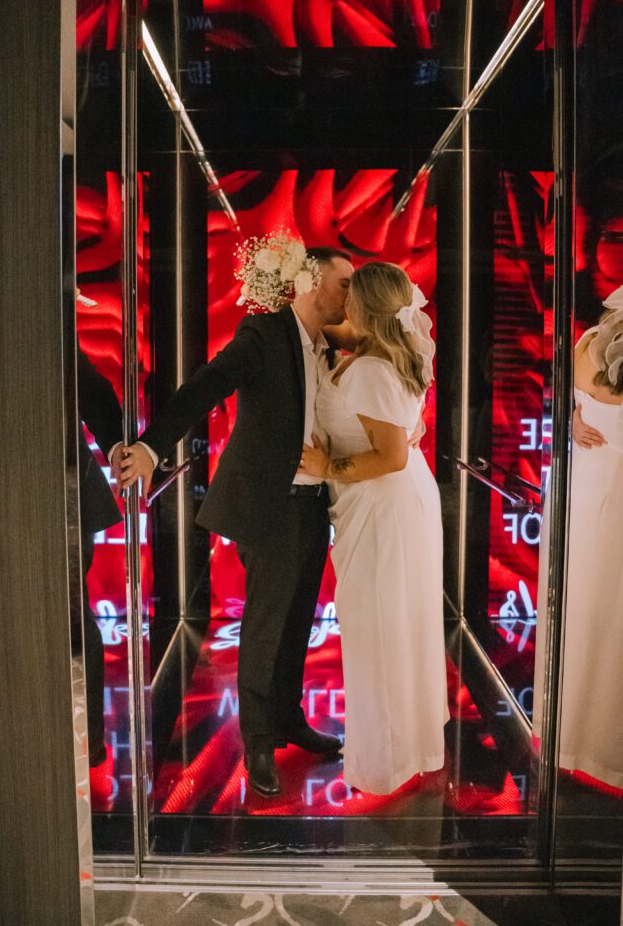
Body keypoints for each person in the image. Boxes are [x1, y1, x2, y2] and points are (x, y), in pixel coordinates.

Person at [118, 249, 355, 797]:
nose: (352, 295)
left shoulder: (329, 344)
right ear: (312, 282)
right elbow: (205, 387)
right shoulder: (264, 335)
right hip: (267, 505)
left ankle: (289, 719)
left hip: (312, 502)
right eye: (345, 283)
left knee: (299, 617)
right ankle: (257, 741)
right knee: (267, 622)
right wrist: (153, 448)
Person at [300, 262, 449, 795]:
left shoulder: (369, 369)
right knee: (393, 625)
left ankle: (385, 760)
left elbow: (389, 457)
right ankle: (403, 745)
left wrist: (325, 468)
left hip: (384, 506)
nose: (345, 302)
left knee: (379, 629)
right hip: (392, 504)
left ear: (365, 306)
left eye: (351, 293)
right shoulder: (382, 354)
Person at [534, 285, 623, 788]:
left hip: (580, 488)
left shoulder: (586, 341)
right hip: (612, 493)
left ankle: (569, 732)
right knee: (610, 617)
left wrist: (573, 420)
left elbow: (575, 401)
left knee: (579, 606)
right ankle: (604, 746)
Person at [76, 345, 124, 768]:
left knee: (73, 612)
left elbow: (92, 390)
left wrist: (117, 450)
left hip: (66, 491)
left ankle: (87, 741)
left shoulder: (38, 307)